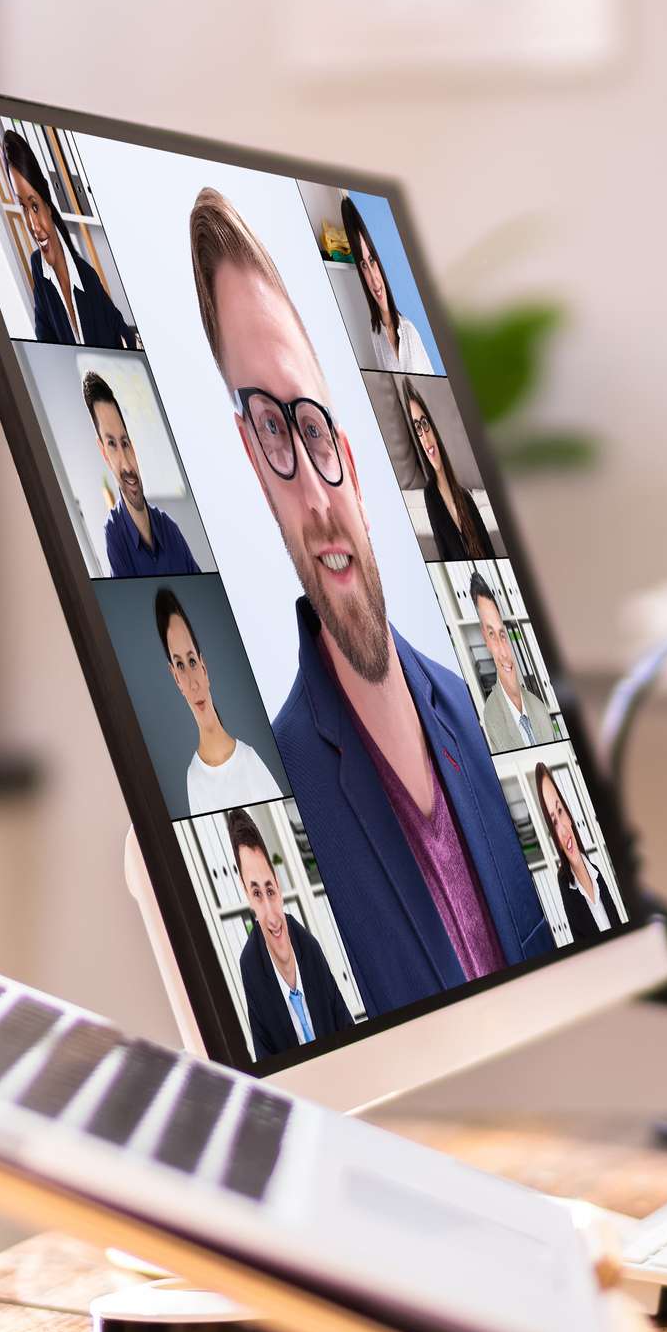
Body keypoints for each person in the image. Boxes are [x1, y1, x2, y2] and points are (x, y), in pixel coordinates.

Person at [186, 186, 551, 1018]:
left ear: (346, 446)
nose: (314, 495)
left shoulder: (469, 708)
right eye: (273, 434)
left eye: (310, 427)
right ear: (250, 458)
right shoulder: (284, 783)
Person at [224, 808, 351, 1056]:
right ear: (246, 894)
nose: (272, 916)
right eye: (257, 894)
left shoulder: (308, 946)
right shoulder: (251, 966)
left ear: (279, 886)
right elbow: (267, 1061)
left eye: (270, 890)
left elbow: (347, 1028)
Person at [1, 131, 137, 350]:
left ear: (48, 204)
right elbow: (46, 346)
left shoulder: (87, 278)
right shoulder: (39, 267)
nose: (33, 225)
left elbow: (122, 343)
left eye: (35, 206)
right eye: (24, 208)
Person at [156, 586, 281, 812]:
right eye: (180, 666)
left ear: (204, 667)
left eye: (192, 661)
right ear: (175, 678)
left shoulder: (249, 760)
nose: (193, 683)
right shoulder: (194, 779)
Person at [84, 369, 200, 576]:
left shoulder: (170, 528)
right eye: (112, 444)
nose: (128, 465)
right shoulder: (114, 535)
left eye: (125, 442)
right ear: (103, 452)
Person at [396, 376, 496, 561]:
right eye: (418, 429)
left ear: (433, 427)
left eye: (425, 424)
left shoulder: (466, 498)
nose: (425, 437)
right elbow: (444, 554)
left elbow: (489, 550)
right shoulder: (431, 497)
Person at [337, 193, 437, 374]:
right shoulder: (375, 333)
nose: (374, 279)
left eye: (372, 261)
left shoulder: (409, 332)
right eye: (363, 266)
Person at [463, 572, 559, 751]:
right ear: (484, 638)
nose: (504, 652)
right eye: (492, 634)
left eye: (502, 635)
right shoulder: (491, 716)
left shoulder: (538, 706)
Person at [530, 760, 616, 947]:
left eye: (560, 811)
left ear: (569, 815)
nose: (562, 830)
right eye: (553, 822)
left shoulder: (598, 874)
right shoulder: (567, 890)